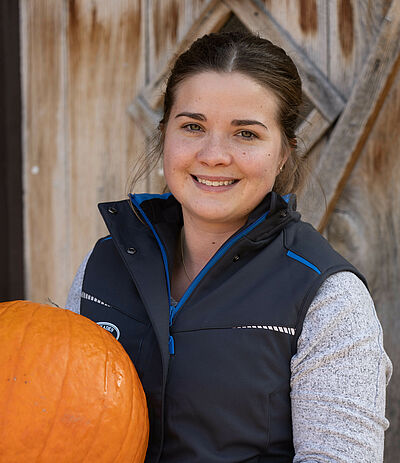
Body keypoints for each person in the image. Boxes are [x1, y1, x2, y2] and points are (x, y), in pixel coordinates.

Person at [66, 31, 392, 463]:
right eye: (193, 127)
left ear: (283, 155)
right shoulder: (104, 265)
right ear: (165, 135)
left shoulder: (327, 299)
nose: (214, 154)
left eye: (246, 134)